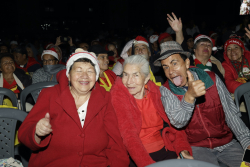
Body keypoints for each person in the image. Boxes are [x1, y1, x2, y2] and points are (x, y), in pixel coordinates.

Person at [18, 49, 129, 167]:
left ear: (96, 76)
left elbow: (115, 143)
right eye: (79, 70)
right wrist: (37, 132)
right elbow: (24, 133)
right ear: (69, 76)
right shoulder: (50, 95)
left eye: (90, 71)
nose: (84, 76)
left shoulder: (104, 98)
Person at [153, 41, 250, 167]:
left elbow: (231, 115)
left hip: (226, 143)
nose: (170, 71)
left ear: (187, 63)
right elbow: (178, 122)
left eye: (174, 63)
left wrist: (247, 141)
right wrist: (189, 96)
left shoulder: (212, 78)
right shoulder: (166, 90)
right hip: (197, 147)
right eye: (165, 67)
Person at [111, 55, 193, 167]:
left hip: (165, 148)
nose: (129, 81)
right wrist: (148, 164)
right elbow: (129, 137)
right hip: (137, 156)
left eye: (136, 75)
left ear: (146, 78)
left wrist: (182, 149)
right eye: (125, 74)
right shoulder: (119, 96)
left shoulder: (156, 92)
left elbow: (175, 125)